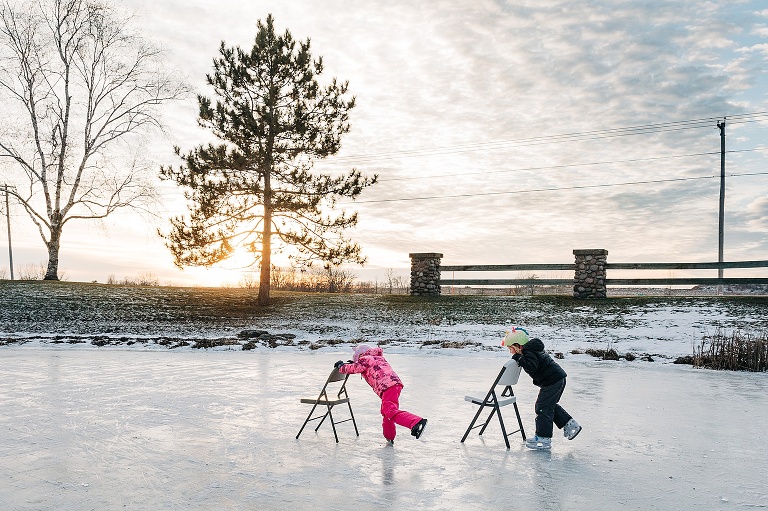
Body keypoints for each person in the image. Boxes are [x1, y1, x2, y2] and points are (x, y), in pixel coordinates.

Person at [503, 327, 582, 450]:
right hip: (556, 379)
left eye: (511, 349)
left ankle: (543, 438)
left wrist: (519, 359)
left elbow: (532, 367)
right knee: (548, 405)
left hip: (552, 381)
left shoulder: (528, 351)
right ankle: (570, 425)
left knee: (542, 408)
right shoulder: (531, 349)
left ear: (517, 346)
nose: (511, 352)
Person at [335, 344, 427, 444]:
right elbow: (363, 366)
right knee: (386, 411)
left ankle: (416, 422)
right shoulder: (377, 357)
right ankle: (389, 436)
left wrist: (341, 366)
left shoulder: (366, 358)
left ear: (360, 354)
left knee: (390, 411)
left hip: (387, 386)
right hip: (394, 385)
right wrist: (354, 363)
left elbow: (355, 368)